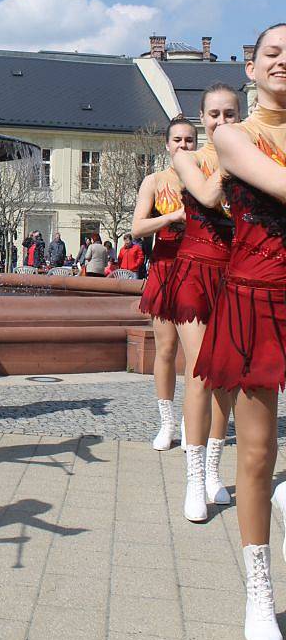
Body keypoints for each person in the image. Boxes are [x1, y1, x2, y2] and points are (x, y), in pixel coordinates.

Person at [195, 24, 286, 640]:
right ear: (251, 67)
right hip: (259, 296)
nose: (285, 62)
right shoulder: (232, 135)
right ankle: (259, 589)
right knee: (256, 452)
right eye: (274, 53)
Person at [164, 84, 240, 523]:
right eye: (213, 114)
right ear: (201, 118)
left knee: (226, 377)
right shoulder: (188, 158)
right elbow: (210, 197)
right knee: (199, 371)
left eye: (230, 113)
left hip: (236, 271)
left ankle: (213, 469)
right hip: (195, 269)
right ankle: (193, 478)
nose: (221, 122)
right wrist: (238, 159)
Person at [132, 116, 195, 450]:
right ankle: (167, 423)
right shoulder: (154, 181)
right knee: (167, 349)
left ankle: (191, 420)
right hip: (165, 268)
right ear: (167, 145)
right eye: (178, 140)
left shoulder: (206, 179)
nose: (183, 146)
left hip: (198, 270)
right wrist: (171, 217)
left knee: (196, 353)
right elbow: (136, 227)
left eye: (189, 140)